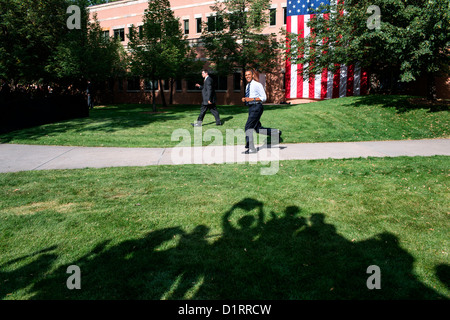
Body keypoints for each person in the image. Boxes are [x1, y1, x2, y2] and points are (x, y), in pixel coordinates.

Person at [241, 70, 282, 154]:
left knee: (248, 127)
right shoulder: (247, 86)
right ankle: (275, 132)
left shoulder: (257, 85)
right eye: (246, 75)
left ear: (252, 75)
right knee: (257, 128)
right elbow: (250, 97)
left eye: (249, 74)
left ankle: (251, 148)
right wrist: (245, 99)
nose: (247, 76)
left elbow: (264, 97)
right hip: (251, 107)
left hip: (257, 107)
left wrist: (251, 99)